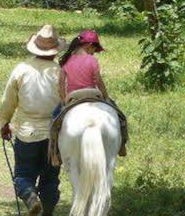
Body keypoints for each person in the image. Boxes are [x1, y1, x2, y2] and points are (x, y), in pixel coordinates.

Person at [0, 24, 63, 216]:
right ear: (55, 50)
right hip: (54, 136)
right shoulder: (60, 72)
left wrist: (4, 123)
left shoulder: (21, 70)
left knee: (23, 174)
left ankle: (31, 198)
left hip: (27, 132)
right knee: (50, 177)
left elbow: (8, 101)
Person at [49, 29, 128, 165]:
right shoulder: (92, 60)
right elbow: (98, 81)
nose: (94, 52)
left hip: (73, 97)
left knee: (54, 120)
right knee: (120, 117)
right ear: (89, 45)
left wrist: (63, 101)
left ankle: (55, 153)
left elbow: (60, 84)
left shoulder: (67, 61)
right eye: (94, 49)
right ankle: (121, 146)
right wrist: (106, 96)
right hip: (93, 94)